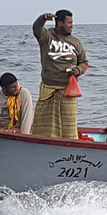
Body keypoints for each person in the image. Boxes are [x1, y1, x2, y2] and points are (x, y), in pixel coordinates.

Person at [30, 9, 88, 139]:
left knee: (69, 127)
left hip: (68, 90)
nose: (72, 25)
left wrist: (77, 70)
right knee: (43, 126)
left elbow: (84, 63)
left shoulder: (75, 42)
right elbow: (36, 29)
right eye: (69, 23)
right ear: (60, 23)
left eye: (72, 22)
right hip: (48, 89)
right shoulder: (47, 37)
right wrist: (43, 18)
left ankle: (68, 145)